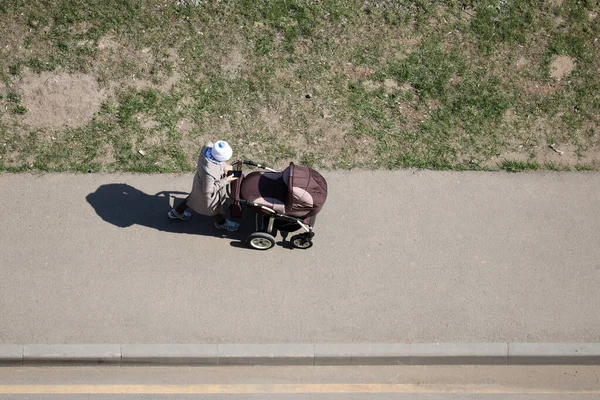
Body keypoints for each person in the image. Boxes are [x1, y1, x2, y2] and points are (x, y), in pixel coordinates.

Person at [168, 140, 240, 231]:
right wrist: (226, 180)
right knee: (214, 210)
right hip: (207, 193)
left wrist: (225, 166)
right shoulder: (209, 174)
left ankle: (177, 212)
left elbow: (217, 159)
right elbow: (208, 190)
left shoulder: (207, 147)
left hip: (199, 183)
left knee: (193, 198)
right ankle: (221, 223)